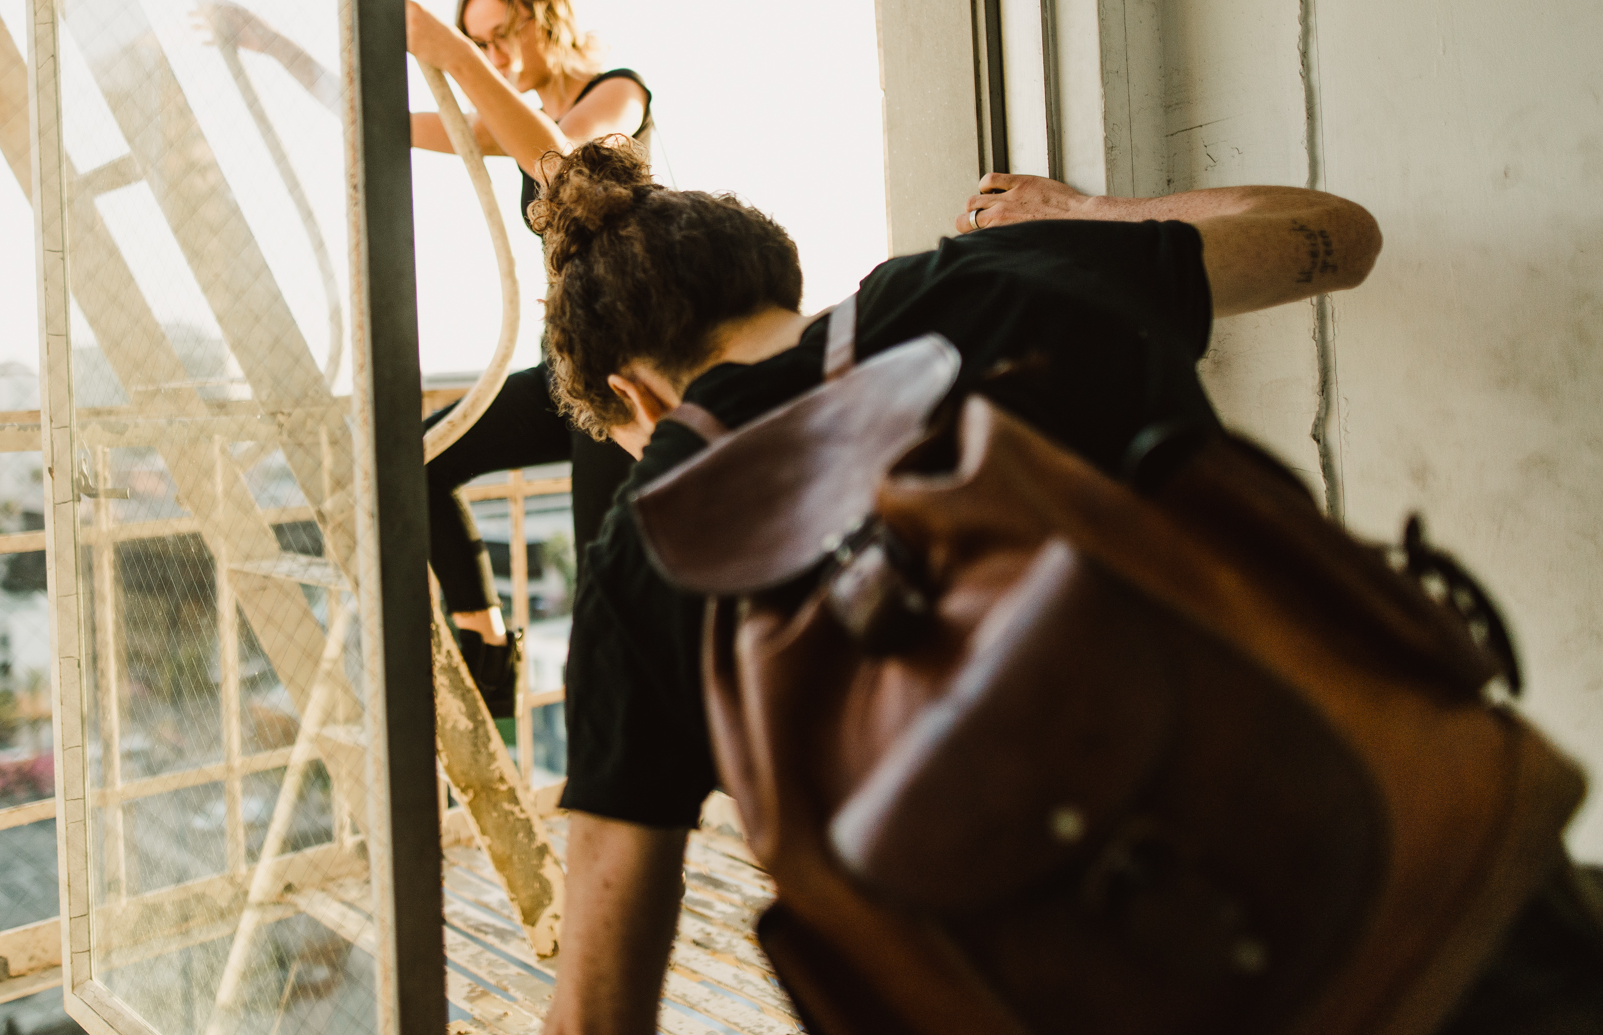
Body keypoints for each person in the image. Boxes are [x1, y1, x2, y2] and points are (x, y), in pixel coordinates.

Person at [524, 146, 1603, 1034]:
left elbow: (599, 1013)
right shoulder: (998, 281)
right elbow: (1337, 233)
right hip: (1419, 880)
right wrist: (1088, 214)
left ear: (632, 394)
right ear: (771, 278)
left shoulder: (643, 549)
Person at [204, 0, 653, 715]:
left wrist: (449, 56)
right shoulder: (504, 116)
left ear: (550, 16)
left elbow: (562, 157)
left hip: (630, 372)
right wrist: (275, 46)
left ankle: (628, 774)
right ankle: (485, 638)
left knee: (601, 574)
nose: (494, 56)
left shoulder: (619, 93)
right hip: (570, 364)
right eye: (479, 43)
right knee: (412, 462)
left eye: (502, 33)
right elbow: (376, 116)